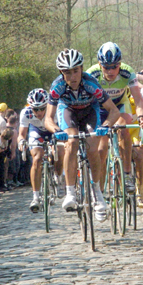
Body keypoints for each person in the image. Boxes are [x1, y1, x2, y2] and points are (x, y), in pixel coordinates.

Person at [45, 49, 121, 221]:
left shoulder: (91, 83)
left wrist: (106, 125)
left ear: (82, 68)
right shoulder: (57, 87)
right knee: (71, 143)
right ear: (61, 73)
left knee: (93, 147)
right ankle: (70, 192)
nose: (73, 76)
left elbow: (114, 111)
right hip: (68, 111)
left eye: (76, 71)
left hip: (89, 112)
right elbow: (48, 119)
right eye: (67, 72)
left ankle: (98, 194)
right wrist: (56, 131)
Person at [87, 42, 143, 199]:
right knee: (101, 150)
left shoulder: (127, 72)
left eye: (114, 66)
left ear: (120, 64)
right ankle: (99, 190)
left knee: (123, 128)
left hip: (120, 104)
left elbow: (138, 100)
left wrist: (141, 116)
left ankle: (127, 174)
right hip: (99, 109)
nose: (110, 70)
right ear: (100, 64)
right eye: (106, 67)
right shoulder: (91, 74)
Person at [18, 89, 66, 214]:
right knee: (37, 158)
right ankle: (35, 197)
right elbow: (21, 134)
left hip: (53, 131)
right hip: (36, 133)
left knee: (60, 152)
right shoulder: (26, 113)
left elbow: (63, 128)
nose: (38, 112)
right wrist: (21, 142)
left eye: (42, 108)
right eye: (35, 109)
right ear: (30, 107)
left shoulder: (54, 110)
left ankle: (59, 177)